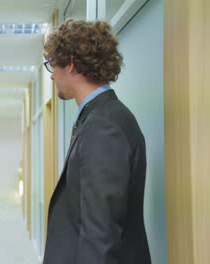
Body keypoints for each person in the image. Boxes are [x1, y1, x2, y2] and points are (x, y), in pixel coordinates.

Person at [42, 19, 151, 264]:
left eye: (52, 65)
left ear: (70, 64)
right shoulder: (101, 117)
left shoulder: (103, 126)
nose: (52, 77)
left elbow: (100, 235)